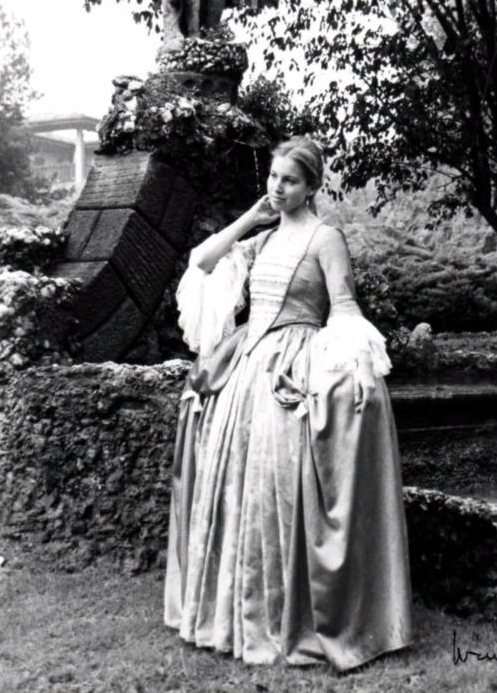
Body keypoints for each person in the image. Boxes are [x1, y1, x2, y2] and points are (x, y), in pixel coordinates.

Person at [164, 136, 413, 670]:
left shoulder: (326, 238)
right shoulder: (265, 237)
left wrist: (354, 367)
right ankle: (235, 612)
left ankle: (285, 615)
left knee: (278, 486)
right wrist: (250, 218)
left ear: (312, 186)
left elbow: (344, 306)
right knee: (239, 488)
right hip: (245, 371)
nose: (278, 188)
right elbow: (202, 262)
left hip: (291, 367)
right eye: (274, 177)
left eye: (290, 180)